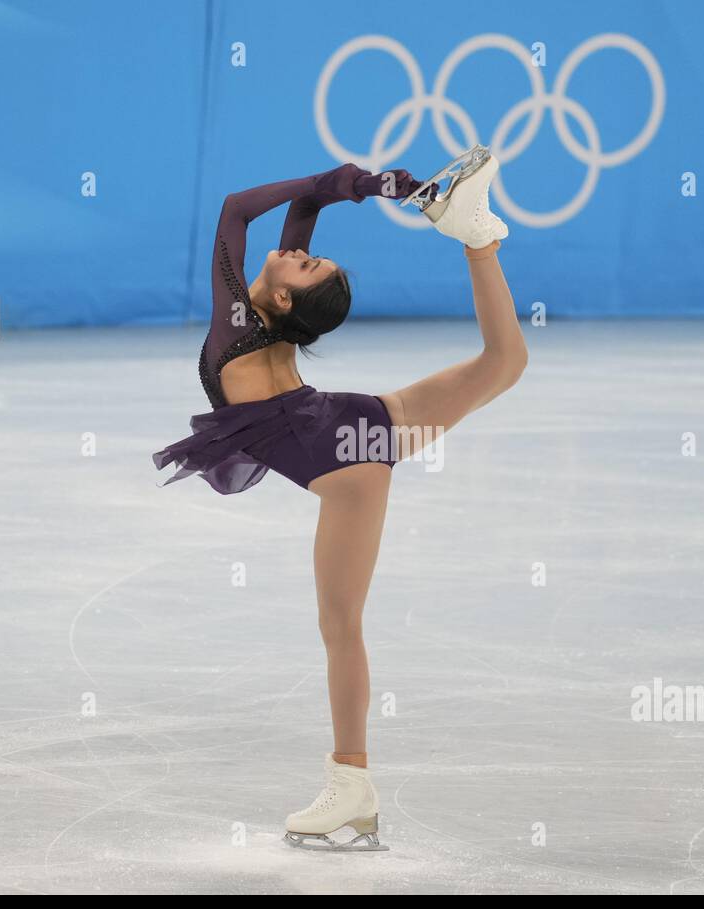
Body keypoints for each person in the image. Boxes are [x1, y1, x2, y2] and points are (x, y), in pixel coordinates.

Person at [153, 147, 526, 850]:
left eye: (304, 263)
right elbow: (302, 214)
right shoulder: (258, 319)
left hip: (347, 461)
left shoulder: (239, 324)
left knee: (340, 625)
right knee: (503, 363)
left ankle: (352, 787)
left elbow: (236, 208)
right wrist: (354, 186)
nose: (295, 254)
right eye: (308, 260)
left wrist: (341, 185)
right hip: (354, 427)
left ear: (286, 299)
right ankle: (479, 238)